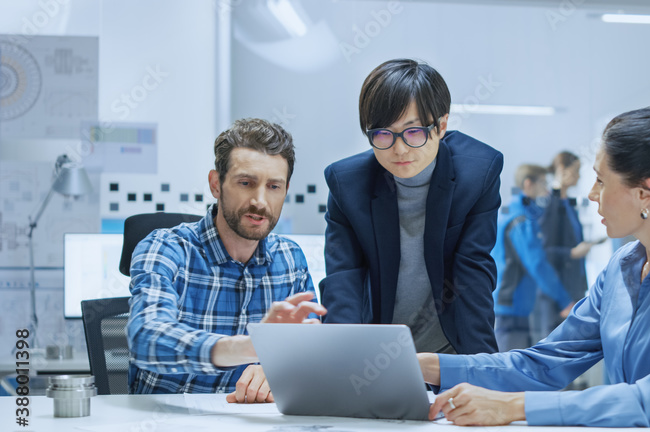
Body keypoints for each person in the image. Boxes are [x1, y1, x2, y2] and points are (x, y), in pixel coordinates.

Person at [420, 101, 650, 432]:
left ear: (645, 193)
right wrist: (427, 365)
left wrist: (513, 406)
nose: (591, 194)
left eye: (600, 180)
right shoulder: (622, 267)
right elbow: (543, 364)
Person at [127, 118, 326, 401]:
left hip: (252, 425)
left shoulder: (290, 260)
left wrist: (279, 369)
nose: (260, 201)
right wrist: (249, 348)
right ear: (216, 184)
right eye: (246, 183)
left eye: (273, 187)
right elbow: (145, 337)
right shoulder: (166, 248)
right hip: (166, 425)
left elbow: (311, 350)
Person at [320, 59, 503, 355]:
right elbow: (344, 279)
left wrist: (482, 368)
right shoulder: (347, 184)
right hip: (375, 350)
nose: (399, 149)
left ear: (441, 126)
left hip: (449, 347)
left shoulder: (478, 173)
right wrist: (342, 361)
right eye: (382, 134)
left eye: (413, 131)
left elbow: (473, 273)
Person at [493, 164, 573, 351]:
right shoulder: (520, 222)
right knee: (507, 370)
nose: (546, 190)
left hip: (510, 304)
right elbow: (537, 264)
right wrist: (565, 300)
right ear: (528, 184)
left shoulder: (511, 213)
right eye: (543, 184)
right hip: (512, 305)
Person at [529, 151, 594, 343]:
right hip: (557, 294)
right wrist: (572, 253)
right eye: (576, 171)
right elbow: (543, 252)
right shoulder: (550, 204)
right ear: (562, 170)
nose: (579, 176)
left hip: (573, 287)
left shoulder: (568, 204)